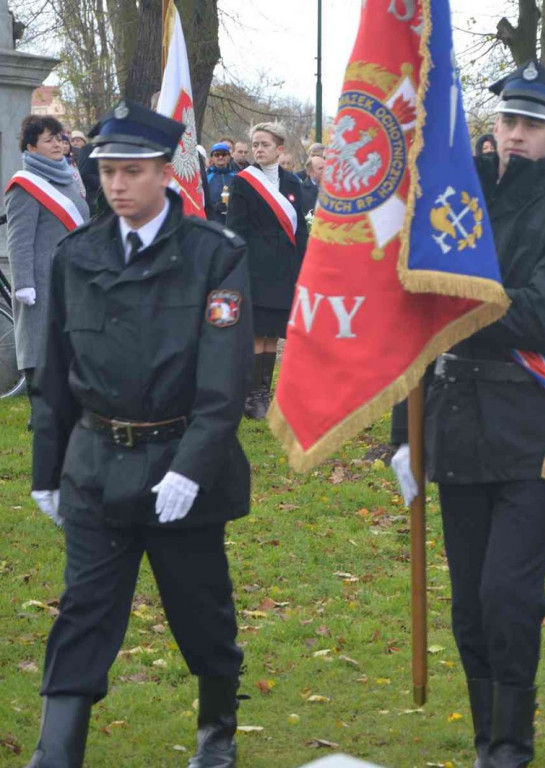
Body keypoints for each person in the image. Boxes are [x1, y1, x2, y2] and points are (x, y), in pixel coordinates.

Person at [26, 99, 252, 768]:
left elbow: (224, 378)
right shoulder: (78, 253)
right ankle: (56, 750)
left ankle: (217, 731)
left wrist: (192, 466)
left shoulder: (213, 255)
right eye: (106, 172)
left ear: (164, 174)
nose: (116, 186)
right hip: (96, 465)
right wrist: (46, 469)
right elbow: (56, 370)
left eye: (130, 172)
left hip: (178, 465)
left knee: (201, 612)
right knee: (84, 613)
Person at [391, 60, 545, 768]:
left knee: (509, 597)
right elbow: (411, 317)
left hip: (527, 429)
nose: (514, 135)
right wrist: (403, 435)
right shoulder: (459, 196)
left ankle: (512, 745)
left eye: (531, 126)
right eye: (507, 121)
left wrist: (455, 294)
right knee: (469, 606)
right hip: (451, 423)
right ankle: (489, 740)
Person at [4, 115, 90, 414]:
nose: (57, 144)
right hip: (42, 281)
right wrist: (24, 283)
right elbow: (19, 241)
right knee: (40, 346)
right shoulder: (24, 186)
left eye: (59, 138)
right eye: (49, 140)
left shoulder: (68, 177)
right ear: (31, 146)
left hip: (73, 278)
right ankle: (40, 408)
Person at [226, 122, 307, 420]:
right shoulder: (243, 182)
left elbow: (300, 230)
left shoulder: (292, 182)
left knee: (273, 335)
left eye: (265, 145)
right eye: (255, 144)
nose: (259, 149)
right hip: (255, 268)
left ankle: (264, 393)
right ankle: (250, 397)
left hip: (284, 268)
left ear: (280, 149)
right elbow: (235, 229)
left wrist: (303, 266)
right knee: (256, 334)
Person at [206, 141, 237, 224]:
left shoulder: (236, 177)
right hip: (214, 221)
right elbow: (202, 199)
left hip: (232, 221)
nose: (220, 157)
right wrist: (214, 206)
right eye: (216, 155)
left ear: (229, 157)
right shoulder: (206, 177)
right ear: (212, 158)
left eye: (223, 154)